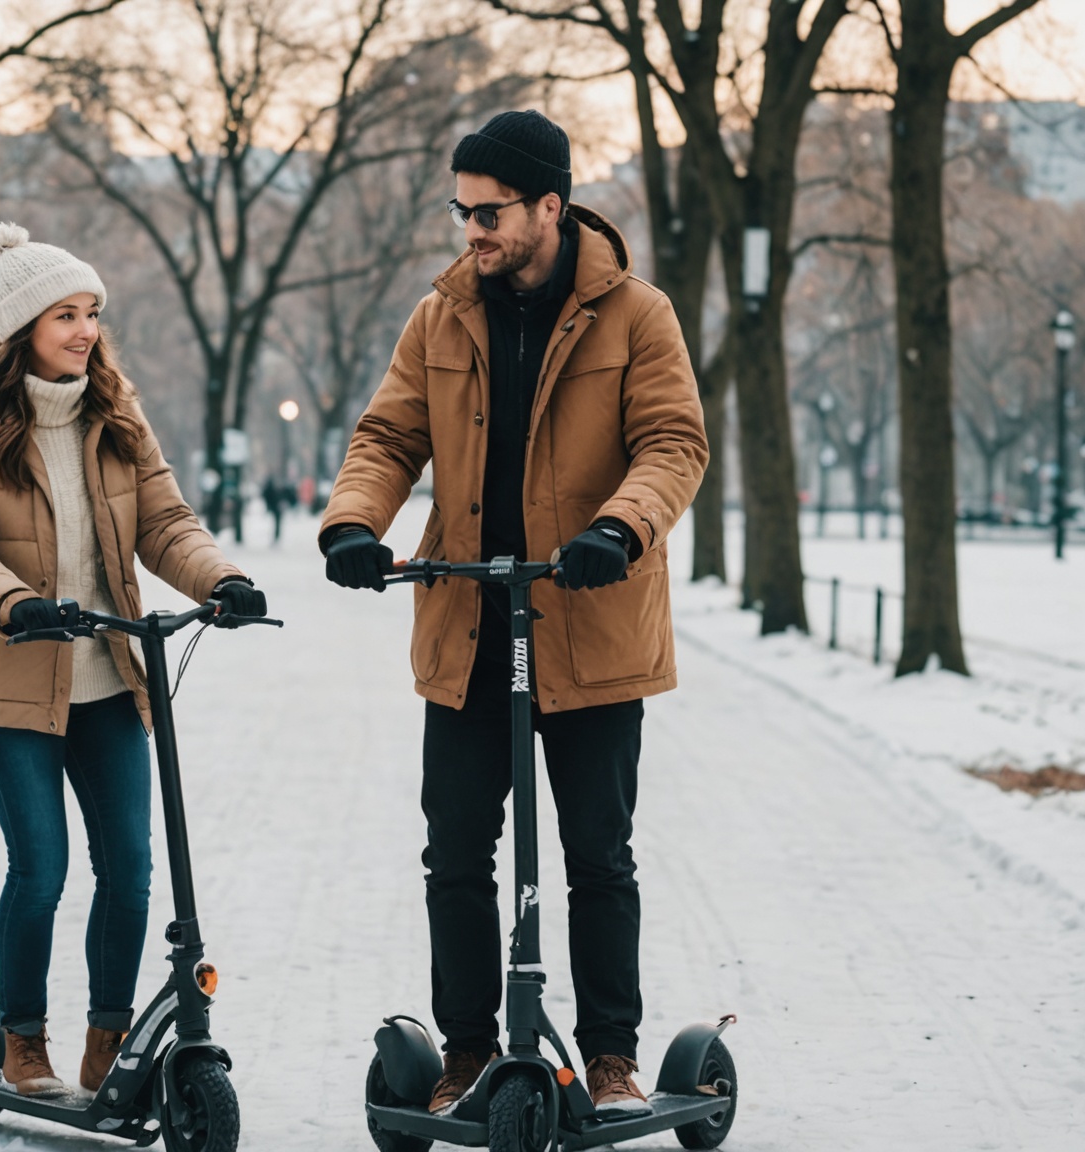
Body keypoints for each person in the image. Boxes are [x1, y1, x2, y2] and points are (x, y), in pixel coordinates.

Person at [318, 111, 708, 1117]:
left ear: (550, 204)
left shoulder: (637, 316)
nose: (471, 231)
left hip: (590, 622)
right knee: (455, 853)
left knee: (597, 854)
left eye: (488, 212)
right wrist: (354, 525)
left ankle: (612, 1062)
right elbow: (387, 433)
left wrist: (620, 530)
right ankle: (464, 1058)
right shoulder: (442, 315)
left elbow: (673, 442)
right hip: (470, 623)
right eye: (462, 212)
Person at [0, 223, 268, 1098]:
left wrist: (221, 578)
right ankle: (23, 1040)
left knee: (132, 868)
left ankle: (108, 1042)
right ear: (22, 327)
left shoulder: (114, 413)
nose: (85, 330)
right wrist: (12, 601)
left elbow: (164, 521)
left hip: (110, 677)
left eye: (92, 314)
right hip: (9, 678)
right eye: (66, 315)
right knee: (40, 868)